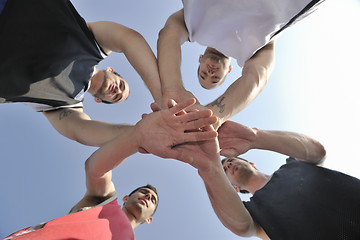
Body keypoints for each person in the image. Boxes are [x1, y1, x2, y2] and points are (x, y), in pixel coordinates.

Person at [3, 98, 218, 240]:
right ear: (125, 197)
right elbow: (95, 169)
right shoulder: (106, 202)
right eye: (144, 192)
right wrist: (137, 137)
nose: (147, 197)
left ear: (150, 219)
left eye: (153, 200)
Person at [159, 120, 360, 239]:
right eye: (225, 170)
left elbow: (317, 151)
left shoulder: (293, 166)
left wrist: (255, 138)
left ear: (252, 163)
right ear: (234, 189)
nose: (228, 165)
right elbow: (243, 226)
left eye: (229, 161)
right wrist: (210, 167)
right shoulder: (254, 214)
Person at [0, 0, 162, 146]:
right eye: (121, 85)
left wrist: (139, 134)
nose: (118, 90)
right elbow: (127, 38)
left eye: (117, 97)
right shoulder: (96, 44)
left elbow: (82, 130)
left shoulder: (65, 105)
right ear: (110, 70)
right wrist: (162, 96)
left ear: (99, 100)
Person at [157, 0, 324, 128]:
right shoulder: (251, 51)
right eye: (215, 78)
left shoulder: (191, 26)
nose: (211, 72)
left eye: (204, 74)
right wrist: (212, 116)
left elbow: (169, 35)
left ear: (200, 59)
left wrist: (173, 88)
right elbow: (257, 76)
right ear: (229, 70)